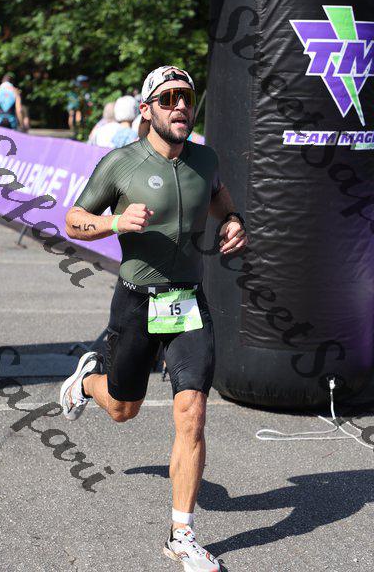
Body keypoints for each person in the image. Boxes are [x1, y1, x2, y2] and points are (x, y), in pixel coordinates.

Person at [60, 65, 248, 571]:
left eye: (186, 96)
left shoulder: (205, 158)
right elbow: (73, 221)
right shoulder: (121, 163)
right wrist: (115, 221)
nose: (180, 105)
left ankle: (181, 534)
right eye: (168, 98)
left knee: (192, 411)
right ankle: (88, 382)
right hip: (136, 302)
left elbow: (217, 194)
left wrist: (232, 219)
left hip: (187, 302)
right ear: (146, 110)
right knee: (124, 409)